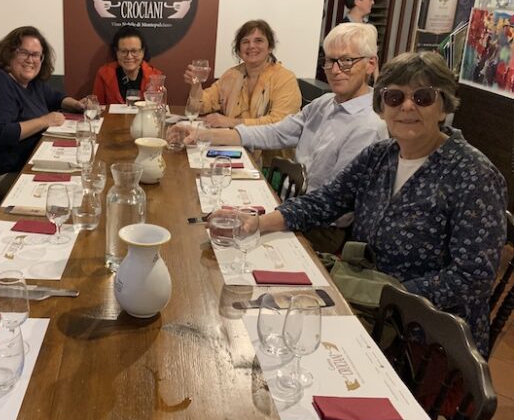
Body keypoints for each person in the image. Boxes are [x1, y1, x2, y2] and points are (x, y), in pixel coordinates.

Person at [241, 52, 507, 356]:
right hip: (365, 301)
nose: (407, 106)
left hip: (425, 337)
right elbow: (328, 200)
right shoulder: (380, 155)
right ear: (381, 107)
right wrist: (259, 222)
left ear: (444, 106)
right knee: (266, 322)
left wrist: (386, 298)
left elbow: (472, 278)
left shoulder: (475, 176)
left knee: (290, 344)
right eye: (394, 97)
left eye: (423, 97)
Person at [171, 23, 388, 193]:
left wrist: (270, 219)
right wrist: (201, 134)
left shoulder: (368, 126)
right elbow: (275, 132)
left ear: (371, 64)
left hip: (307, 211)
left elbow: (335, 202)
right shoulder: (324, 103)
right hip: (287, 193)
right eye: (330, 61)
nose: (336, 70)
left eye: (347, 61)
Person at [0, 26, 86, 187]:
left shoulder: (31, 81)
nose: (30, 60)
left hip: (31, 162)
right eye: (23, 53)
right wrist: (45, 121)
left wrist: (77, 104)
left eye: (36, 55)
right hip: (5, 174)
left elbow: (55, 97)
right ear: (9, 53)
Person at [181, 19, 301, 165]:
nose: (252, 46)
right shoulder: (232, 75)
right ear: (238, 50)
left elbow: (280, 125)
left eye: (258, 40)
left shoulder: (285, 79)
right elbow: (201, 106)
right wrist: (196, 84)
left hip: (271, 165)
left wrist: (232, 122)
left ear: (270, 47)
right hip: (234, 152)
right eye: (245, 42)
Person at [92, 26, 162, 105]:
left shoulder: (155, 77)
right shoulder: (104, 74)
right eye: (123, 51)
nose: (129, 56)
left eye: (134, 51)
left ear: (142, 52)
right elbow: (97, 107)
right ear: (116, 52)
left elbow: (157, 108)